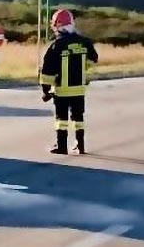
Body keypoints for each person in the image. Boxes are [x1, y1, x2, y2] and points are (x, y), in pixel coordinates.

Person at [39, 9, 99, 155]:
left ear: (57, 25)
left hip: (62, 90)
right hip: (79, 89)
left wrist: (46, 90)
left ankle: (61, 146)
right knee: (78, 117)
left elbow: (47, 71)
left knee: (61, 119)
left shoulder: (56, 45)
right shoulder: (84, 42)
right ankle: (80, 145)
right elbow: (93, 59)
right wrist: (81, 69)